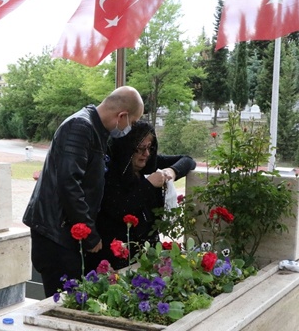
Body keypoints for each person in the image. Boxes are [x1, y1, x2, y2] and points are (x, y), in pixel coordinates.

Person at [22, 86, 145, 297]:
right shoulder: (81, 127)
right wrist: (90, 234)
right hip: (56, 235)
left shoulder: (94, 130)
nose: (129, 129)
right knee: (62, 303)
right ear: (121, 116)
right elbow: (69, 184)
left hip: (63, 234)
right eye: (131, 123)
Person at [85, 121, 196, 271]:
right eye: (141, 148)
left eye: (150, 148)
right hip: (115, 255)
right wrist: (148, 185)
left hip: (145, 252)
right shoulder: (109, 172)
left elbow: (188, 160)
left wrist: (172, 171)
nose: (147, 154)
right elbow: (120, 208)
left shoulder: (149, 163)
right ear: (127, 149)